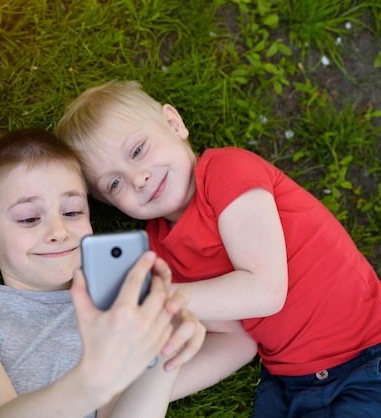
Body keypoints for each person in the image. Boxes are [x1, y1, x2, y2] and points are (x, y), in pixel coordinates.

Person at [55, 80, 381, 417]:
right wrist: (134, 393)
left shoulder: (227, 171)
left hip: (368, 354)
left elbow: (265, 290)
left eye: (138, 151)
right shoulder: (159, 254)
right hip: (294, 384)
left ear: (173, 123)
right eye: (114, 183)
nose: (138, 178)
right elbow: (237, 341)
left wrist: (157, 298)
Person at [0, 128, 208, 418]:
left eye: (72, 212)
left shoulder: (114, 313)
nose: (58, 232)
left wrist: (162, 355)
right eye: (29, 218)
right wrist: (95, 379)